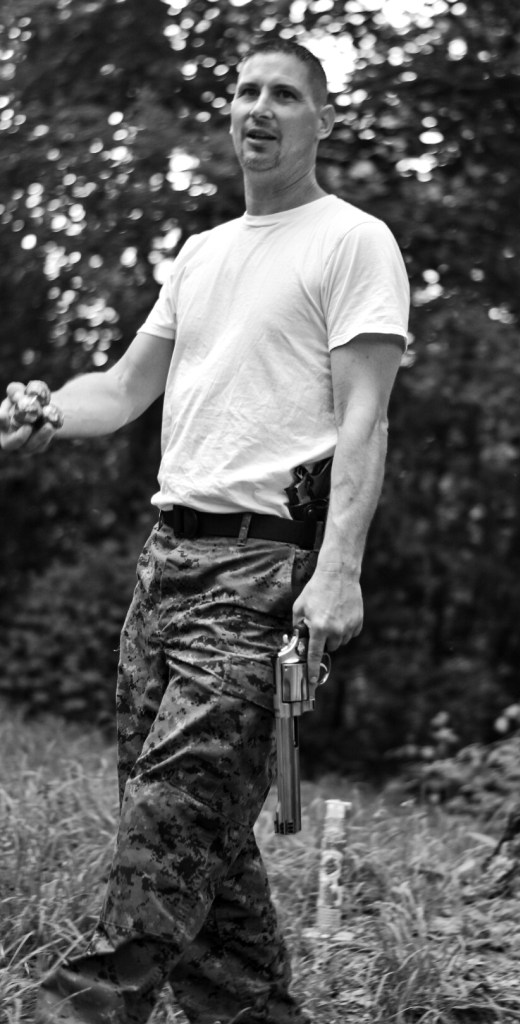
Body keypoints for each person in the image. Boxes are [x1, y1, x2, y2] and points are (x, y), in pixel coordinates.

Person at [0, 37, 409, 1024]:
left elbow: (365, 417)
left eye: (285, 94)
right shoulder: (201, 254)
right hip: (166, 569)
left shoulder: (351, 241)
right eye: (245, 91)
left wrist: (339, 568)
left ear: (322, 119)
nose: (259, 107)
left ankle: (73, 1011)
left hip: (261, 570)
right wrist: (46, 410)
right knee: (197, 842)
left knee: (168, 827)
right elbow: (121, 389)